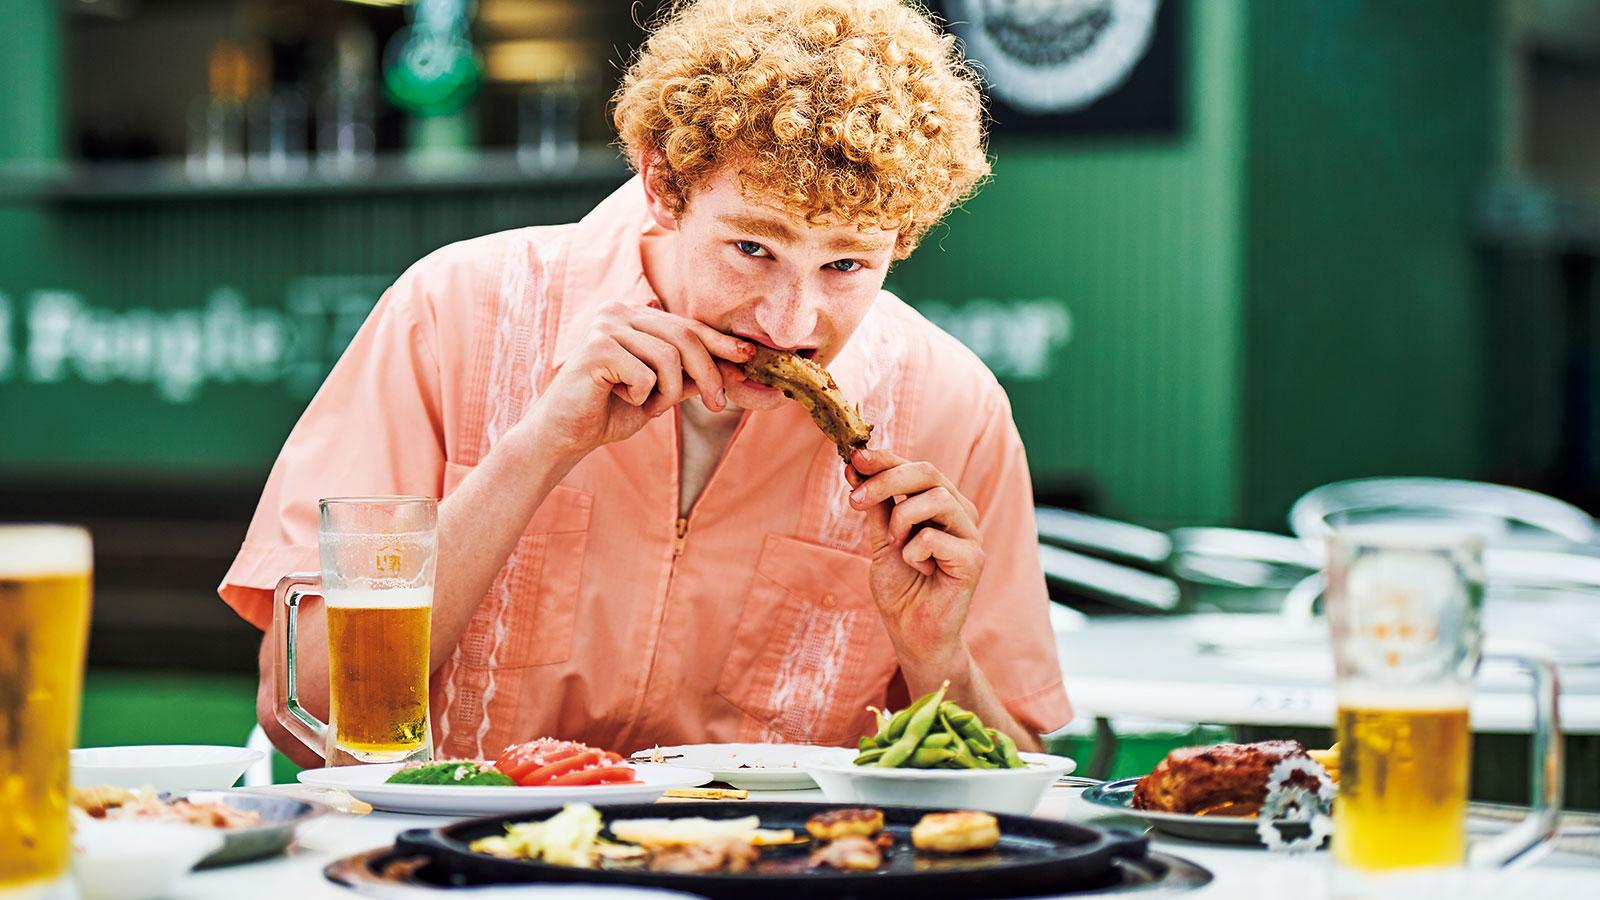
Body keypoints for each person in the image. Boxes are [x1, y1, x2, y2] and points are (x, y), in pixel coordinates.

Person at [221, 0, 1070, 768]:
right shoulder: (451, 314)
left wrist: (935, 656)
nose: (789, 324)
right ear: (663, 182)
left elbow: (1018, 786)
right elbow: (307, 712)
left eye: (847, 263)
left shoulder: (954, 407)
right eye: (752, 249)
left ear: (905, 239)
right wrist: (538, 448)